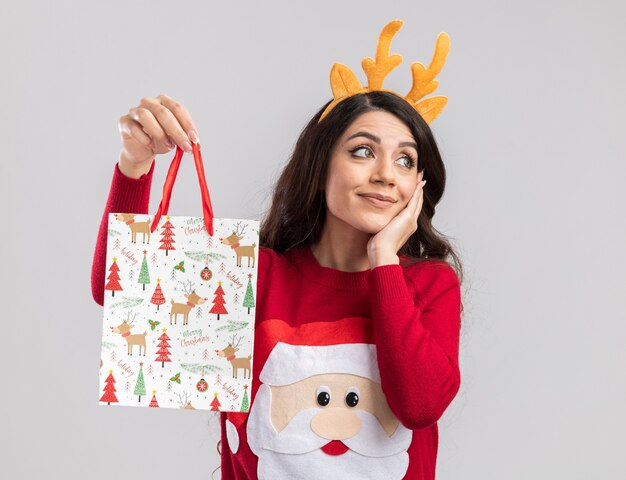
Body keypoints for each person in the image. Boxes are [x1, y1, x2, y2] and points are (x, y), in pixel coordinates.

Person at [91, 20, 464, 480]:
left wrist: (384, 258)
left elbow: (420, 404)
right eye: (363, 151)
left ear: (419, 185)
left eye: (406, 160)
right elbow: (120, 293)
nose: (386, 174)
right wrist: (135, 164)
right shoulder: (256, 276)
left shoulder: (429, 284)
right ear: (320, 164)